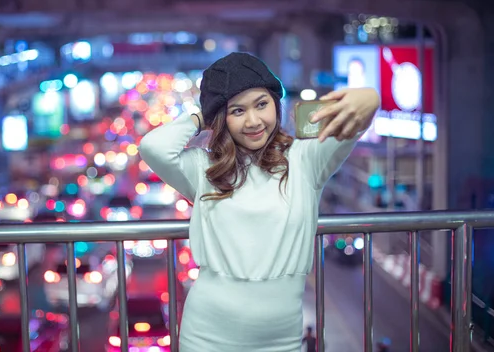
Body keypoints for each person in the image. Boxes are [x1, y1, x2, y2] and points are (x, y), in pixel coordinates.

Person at [138, 52, 379, 351]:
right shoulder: (204, 168)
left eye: (261, 105)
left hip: (281, 341)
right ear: (222, 119)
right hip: (207, 336)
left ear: (275, 105)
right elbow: (153, 148)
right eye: (237, 111)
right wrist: (202, 115)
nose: (253, 121)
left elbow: (359, 118)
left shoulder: (306, 160)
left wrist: (371, 96)